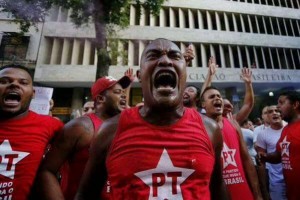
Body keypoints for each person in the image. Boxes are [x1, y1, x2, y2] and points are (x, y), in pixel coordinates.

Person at [75, 38, 229, 200]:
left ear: (184, 73)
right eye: (154, 56)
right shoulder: (109, 131)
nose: (164, 60)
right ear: (140, 76)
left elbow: (218, 187)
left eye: (174, 56)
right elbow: (85, 194)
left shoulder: (210, 130)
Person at [35, 75, 131, 200]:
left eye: (124, 92)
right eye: (118, 92)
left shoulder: (127, 127)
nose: (123, 95)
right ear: (101, 99)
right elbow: (47, 171)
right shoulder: (80, 127)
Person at [0, 64, 63, 200]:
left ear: (33, 93)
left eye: (23, 82)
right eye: (4, 81)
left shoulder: (51, 125)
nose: (13, 85)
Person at [201, 86, 262, 200]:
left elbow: (246, 159)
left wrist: (257, 194)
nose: (217, 99)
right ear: (203, 104)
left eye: (219, 96)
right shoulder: (200, 127)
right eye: (212, 97)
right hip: (217, 194)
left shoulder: (233, 124)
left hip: (242, 190)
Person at [257, 90, 300, 200]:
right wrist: (265, 156)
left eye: (281, 103)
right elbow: (279, 155)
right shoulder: (286, 130)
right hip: (291, 191)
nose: (278, 106)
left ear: (295, 104)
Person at [255, 105, 287, 200]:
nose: (274, 113)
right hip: (277, 182)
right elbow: (261, 162)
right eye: (270, 111)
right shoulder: (262, 134)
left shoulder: (290, 128)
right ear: (267, 117)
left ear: (281, 114)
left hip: (294, 178)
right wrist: (264, 189)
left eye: (277, 110)